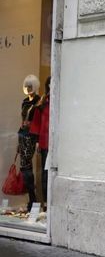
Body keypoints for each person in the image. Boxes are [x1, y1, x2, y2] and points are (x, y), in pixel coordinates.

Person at [18, 74, 41, 212]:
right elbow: (22, 120)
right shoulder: (25, 101)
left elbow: (39, 122)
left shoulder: (39, 101)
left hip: (31, 136)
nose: (28, 88)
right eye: (27, 86)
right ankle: (31, 200)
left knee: (25, 166)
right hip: (22, 134)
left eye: (30, 86)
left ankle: (33, 200)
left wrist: (38, 140)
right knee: (24, 167)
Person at [30, 76, 51, 210]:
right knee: (45, 174)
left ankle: (52, 205)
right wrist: (37, 141)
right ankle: (46, 205)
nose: (51, 86)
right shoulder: (43, 102)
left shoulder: (61, 101)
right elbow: (37, 122)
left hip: (57, 144)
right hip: (44, 143)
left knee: (53, 174)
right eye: (49, 84)